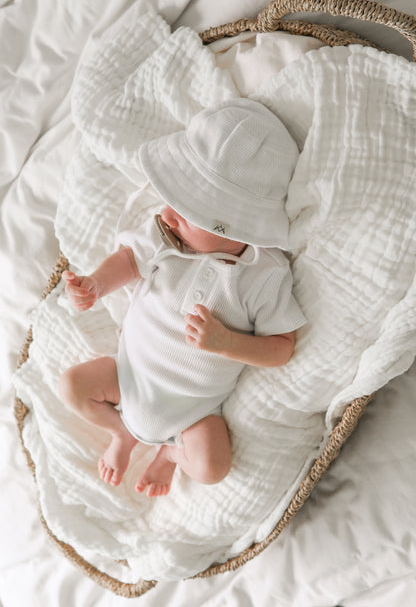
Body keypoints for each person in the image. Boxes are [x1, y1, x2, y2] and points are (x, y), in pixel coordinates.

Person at [58, 98, 306, 498]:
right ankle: (122, 434)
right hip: (128, 376)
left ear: (236, 223)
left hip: (195, 410)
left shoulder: (264, 273)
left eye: (186, 212)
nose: (169, 215)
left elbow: (281, 349)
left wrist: (228, 343)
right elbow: (128, 259)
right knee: (71, 386)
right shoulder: (164, 237)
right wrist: (96, 284)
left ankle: (171, 455)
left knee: (212, 468)